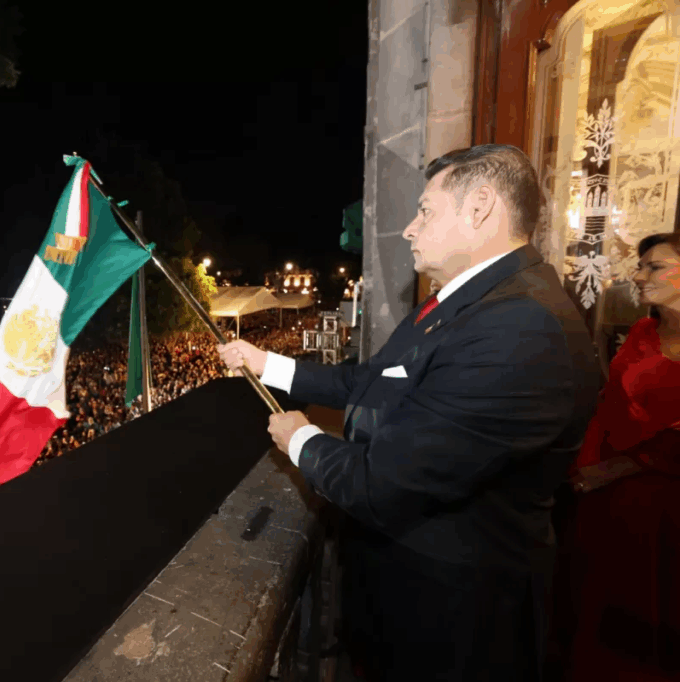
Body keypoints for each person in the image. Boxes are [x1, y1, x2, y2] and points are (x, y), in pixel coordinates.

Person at [218, 144, 601, 682]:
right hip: (411, 606)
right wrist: (267, 364)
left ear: (480, 208)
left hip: (454, 628)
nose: (409, 228)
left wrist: (302, 439)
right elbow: (371, 380)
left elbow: (381, 485)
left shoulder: (520, 327)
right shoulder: (469, 301)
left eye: (425, 211)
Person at [559, 232, 680, 680]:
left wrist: (616, 468)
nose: (639, 275)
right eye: (640, 265)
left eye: (655, 266)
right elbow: (610, 404)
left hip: (663, 509)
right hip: (604, 497)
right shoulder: (643, 331)